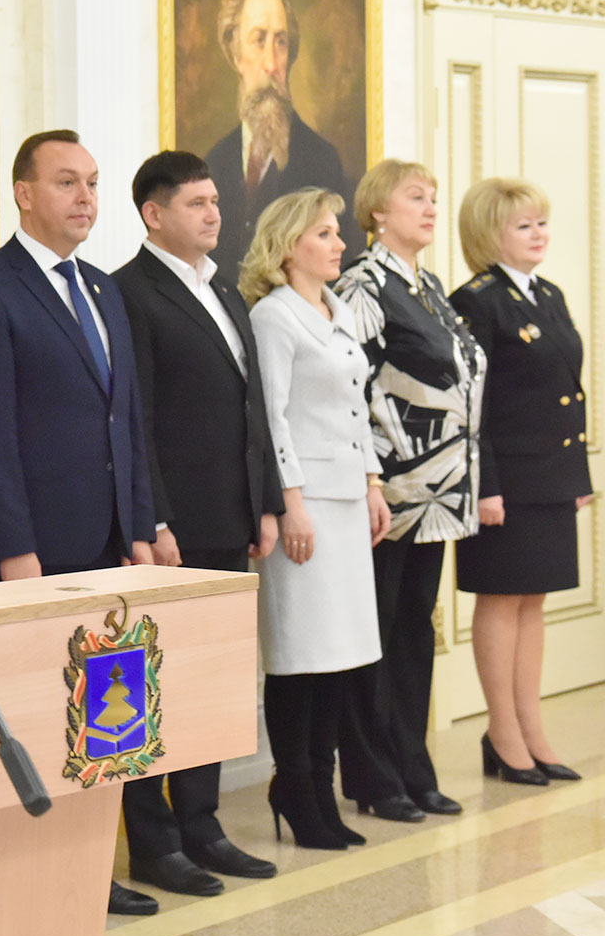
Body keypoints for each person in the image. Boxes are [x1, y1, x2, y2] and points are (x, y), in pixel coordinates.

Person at [0, 128, 158, 918]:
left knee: (106, 713)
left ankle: (91, 870)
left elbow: (125, 420)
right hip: (39, 548)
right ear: (24, 194)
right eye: (67, 182)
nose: (86, 198)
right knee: (41, 713)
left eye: (93, 183)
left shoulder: (102, 287)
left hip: (108, 544)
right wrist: (15, 550)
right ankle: (39, 875)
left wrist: (140, 527)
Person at [112, 151, 282, 894]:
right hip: (172, 529)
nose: (214, 213)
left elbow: (252, 406)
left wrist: (265, 501)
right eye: (196, 203)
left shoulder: (224, 289)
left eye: (215, 201)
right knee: (154, 681)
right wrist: (154, 515)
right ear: (154, 214)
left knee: (210, 678)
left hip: (228, 515)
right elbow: (137, 418)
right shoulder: (129, 291)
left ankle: (202, 826)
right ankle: (153, 842)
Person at [333, 159, 486, 823]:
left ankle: (413, 767)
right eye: (415, 197)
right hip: (389, 490)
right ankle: (374, 777)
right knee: (378, 629)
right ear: (378, 212)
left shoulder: (427, 286)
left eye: (433, 198)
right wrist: (370, 478)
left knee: (414, 630)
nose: (430, 208)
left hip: (440, 490)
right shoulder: (363, 284)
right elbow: (352, 391)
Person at [241, 187, 391, 849]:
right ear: (288, 245)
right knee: (300, 654)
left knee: (341, 654)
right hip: (305, 509)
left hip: (348, 499)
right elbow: (271, 416)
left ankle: (321, 789)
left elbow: (359, 406)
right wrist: (290, 501)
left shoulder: (338, 308)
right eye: (324, 234)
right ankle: (295, 787)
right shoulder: (274, 316)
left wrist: (373, 483)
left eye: (337, 232)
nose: (339, 243)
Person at [450, 177, 590, 785]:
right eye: (523, 225)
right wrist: (485, 485)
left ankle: (532, 730)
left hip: (550, 475)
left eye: (542, 222)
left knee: (533, 601)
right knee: (502, 598)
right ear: (490, 234)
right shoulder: (476, 301)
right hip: (503, 480)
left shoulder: (549, 294)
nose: (539, 234)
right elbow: (471, 404)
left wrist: (576, 474)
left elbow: (567, 391)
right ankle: (503, 733)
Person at [203, 0, 365, 270]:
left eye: (281, 42)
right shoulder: (215, 162)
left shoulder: (322, 160)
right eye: (258, 40)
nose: (271, 63)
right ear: (235, 53)